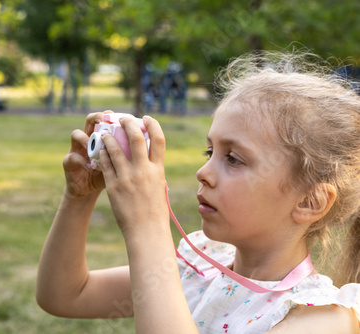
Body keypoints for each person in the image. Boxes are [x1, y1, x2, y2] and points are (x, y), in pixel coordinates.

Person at [36, 51, 360, 333]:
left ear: (309, 201)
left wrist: (147, 226)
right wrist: (78, 199)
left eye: (233, 158)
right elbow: (66, 294)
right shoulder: (197, 271)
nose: (203, 173)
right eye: (210, 152)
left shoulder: (320, 319)